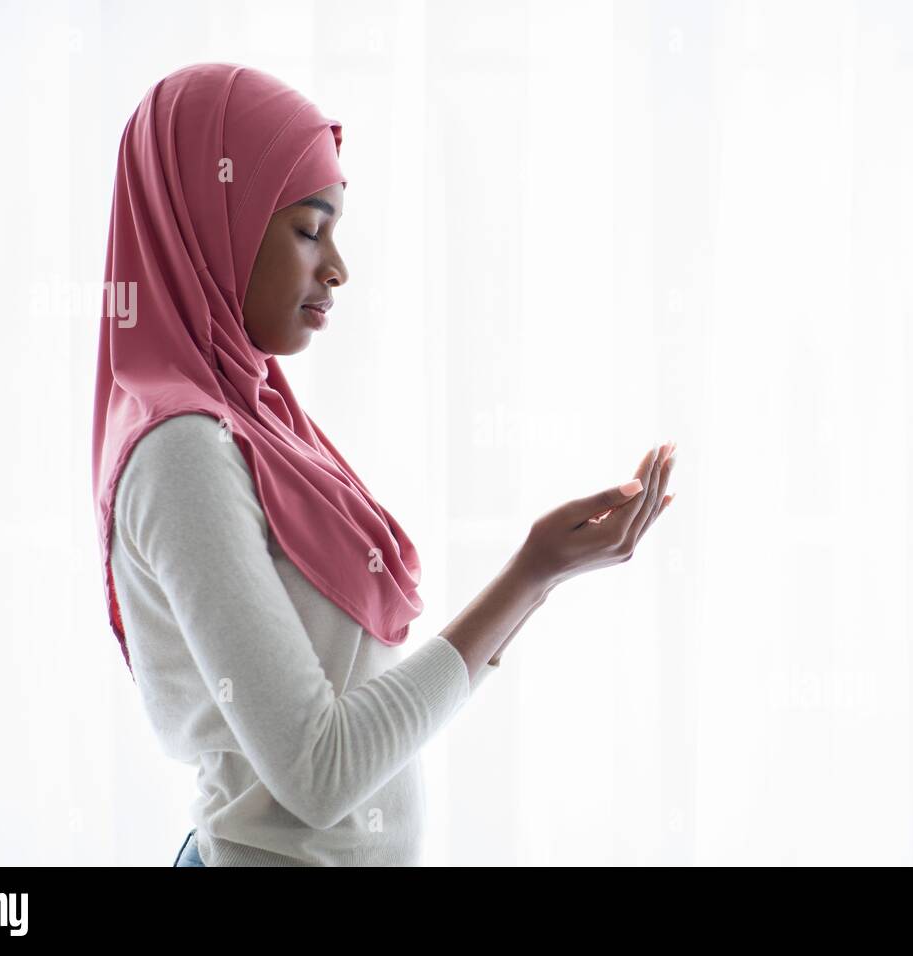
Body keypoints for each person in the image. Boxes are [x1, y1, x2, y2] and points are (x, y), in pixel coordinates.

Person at [91, 63, 677, 867]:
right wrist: (527, 575)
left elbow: (363, 689)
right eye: (308, 228)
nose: (337, 268)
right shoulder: (184, 451)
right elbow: (320, 772)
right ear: (208, 217)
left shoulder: (255, 421)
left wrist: (546, 576)